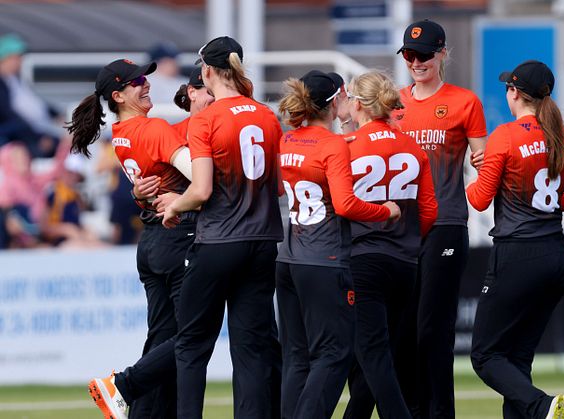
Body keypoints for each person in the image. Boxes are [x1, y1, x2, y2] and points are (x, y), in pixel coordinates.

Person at [160, 36, 283, 419]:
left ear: (208, 71)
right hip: (263, 242)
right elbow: (278, 186)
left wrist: (173, 205)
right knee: (251, 349)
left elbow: (201, 190)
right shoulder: (266, 114)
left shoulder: (206, 119)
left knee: (192, 345)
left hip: (218, 241)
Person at [466, 60, 564, 419]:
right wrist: (542, 202)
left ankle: (541, 406)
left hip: (517, 256)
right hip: (555, 258)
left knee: (486, 356)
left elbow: (478, 199)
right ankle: (536, 408)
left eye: (509, 88)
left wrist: (483, 173)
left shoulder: (505, 136)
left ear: (515, 94)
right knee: (517, 360)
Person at [67, 58, 193, 419]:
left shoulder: (121, 134)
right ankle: (121, 384)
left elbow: (147, 180)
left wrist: (140, 194)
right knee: (193, 335)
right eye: (137, 81)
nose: (146, 83)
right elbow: (200, 179)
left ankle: (140, 412)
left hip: (152, 242)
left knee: (161, 339)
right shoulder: (153, 129)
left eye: (145, 77)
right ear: (119, 95)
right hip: (177, 234)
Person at [275, 70, 401, 419]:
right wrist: (386, 211)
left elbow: (286, 183)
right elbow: (346, 205)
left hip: (289, 259)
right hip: (324, 260)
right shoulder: (331, 145)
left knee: (297, 358)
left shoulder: (288, 140)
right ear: (334, 102)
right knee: (333, 355)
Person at [393, 19, 487, 418]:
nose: (416, 62)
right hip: (399, 228)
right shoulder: (393, 104)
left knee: (434, 328)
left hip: (445, 223)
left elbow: (485, 162)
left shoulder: (465, 102)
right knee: (402, 329)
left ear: (443, 53)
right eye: (410, 55)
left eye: (425, 54)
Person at [341, 70, 438, 419]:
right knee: (380, 354)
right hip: (406, 261)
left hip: (364, 258)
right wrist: (408, 237)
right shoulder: (412, 146)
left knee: (372, 353)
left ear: (358, 104)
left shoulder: (349, 147)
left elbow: (339, 203)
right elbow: (429, 211)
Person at [0, 33, 62, 157]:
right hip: (17, 138)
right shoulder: (2, 84)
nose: (20, 62)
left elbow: (36, 104)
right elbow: (10, 117)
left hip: (35, 131)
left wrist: (57, 115)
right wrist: (38, 137)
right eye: (16, 58)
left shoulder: (15, 81)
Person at [171, 67, 214, 138]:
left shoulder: (231, 127)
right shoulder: (173, 134)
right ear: (192, 93)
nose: (219, 96)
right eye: (211, 91)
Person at [146, 42, 188, 107]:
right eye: (169, 61)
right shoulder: (145, 83)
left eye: (174, 60)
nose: (175, 64)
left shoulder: (184, 81)